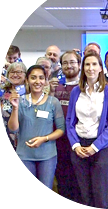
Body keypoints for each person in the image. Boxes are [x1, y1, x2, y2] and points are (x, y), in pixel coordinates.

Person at [66, 50, 108, 208]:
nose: (90, 68)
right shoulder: (76, 91)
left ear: (100, 68)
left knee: (100, 194)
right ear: (83, 68)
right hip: (79, 147)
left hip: (101, 148)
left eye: (94, 64)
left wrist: (95, 147)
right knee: (84, 194)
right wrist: (75, 145)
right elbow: (70, 121)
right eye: (87, 64)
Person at [8, 65, 65, 209]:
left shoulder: (53, 102)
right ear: (27, 80)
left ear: (46, 81)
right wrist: (15, 108)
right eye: (33, 77)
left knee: (44, 196)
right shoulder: (20, 101)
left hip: (47, 156)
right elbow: (13, 128)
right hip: (24, 155)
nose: (37, 81)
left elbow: (60, 130)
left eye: (41, 78)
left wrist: (44, 139)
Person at [49, 50, 81, 202]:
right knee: (63, 182)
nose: (69, 66)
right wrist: (49, 92)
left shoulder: (84, 86)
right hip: (59, 141)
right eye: (65, 63)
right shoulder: (54, 86)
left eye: (72, 62)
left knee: (79, 183)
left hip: (79, 141)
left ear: (79, 65)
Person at [0, 62, 27, 151]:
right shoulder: (2, 91)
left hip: (23, 135)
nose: (15, 75)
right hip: (3, 134)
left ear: (25, 75)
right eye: (12, 72)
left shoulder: (31, 92)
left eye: (19, 72)